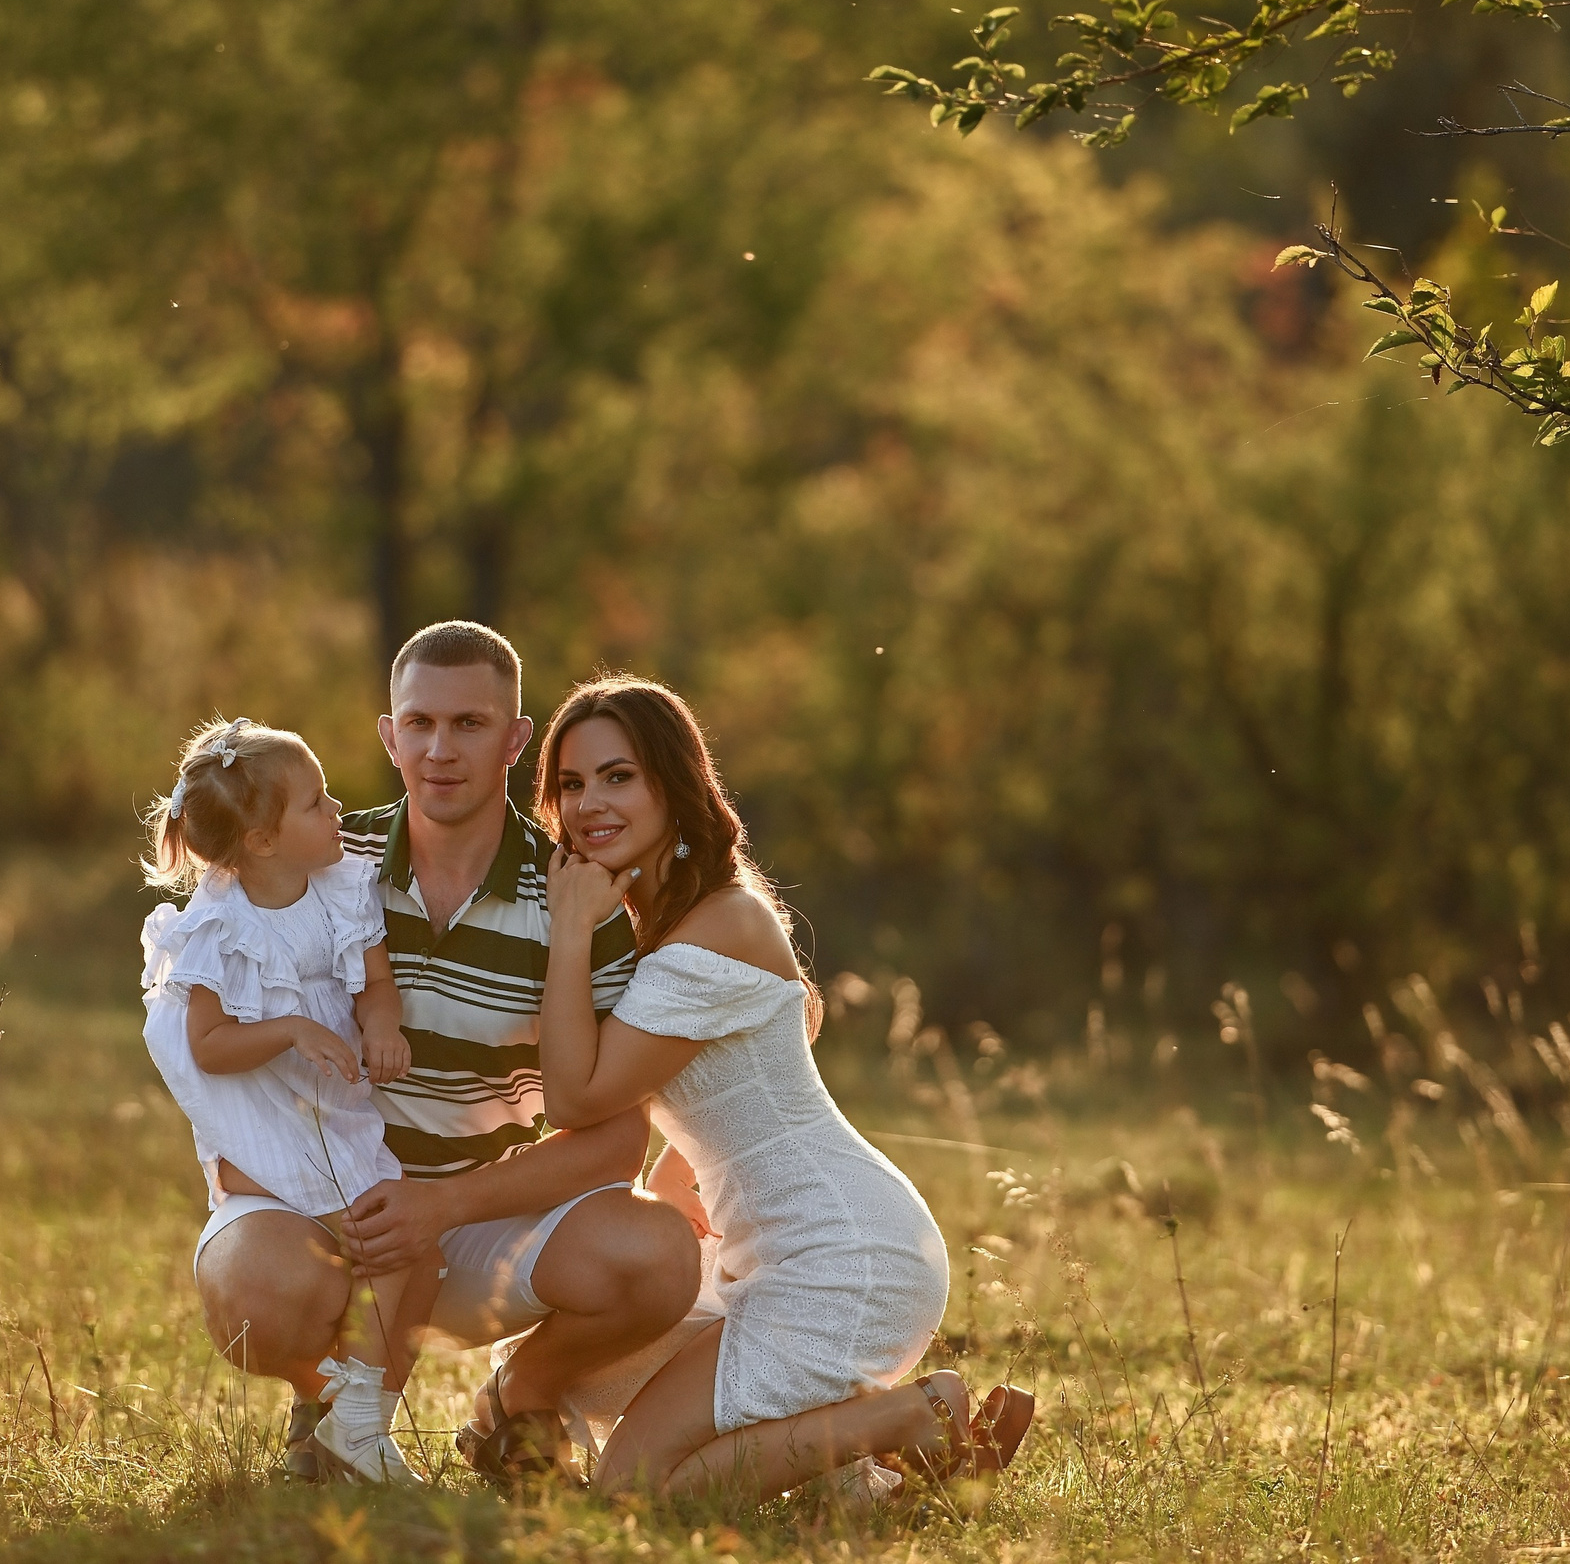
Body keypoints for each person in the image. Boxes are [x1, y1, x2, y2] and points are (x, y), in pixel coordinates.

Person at [194, 622, 703, 1486]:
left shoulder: (576, 899)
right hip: (323, 1212)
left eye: (469, 724)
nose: (440, 749)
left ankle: (521, 1395)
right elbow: (209, 1013)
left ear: (515, 739)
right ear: (388, 734)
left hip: (473, 1227)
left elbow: (618, 1146)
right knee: (256, 1288)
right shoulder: (313, 858)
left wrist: (441, 1205)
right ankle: (333, 1408)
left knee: (657, 1254)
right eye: (419, 723)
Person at [532, 674, 1035, 1505]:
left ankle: (905, 1418)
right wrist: (676, 1170)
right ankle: (861, 1473)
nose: (590, 802)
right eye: (573, 783)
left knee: (633, 1493)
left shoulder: (718, 922)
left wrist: (567, 934)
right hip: (767, 1257)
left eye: (618, 775)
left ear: (674, 782)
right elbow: (739, 1077)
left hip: (839, 1256)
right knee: (574, 1361)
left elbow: (578, 1099)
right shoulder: (674, 920)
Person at [137, 716, 427, 1483]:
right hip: (273, 1117)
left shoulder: (342, 889)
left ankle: (359, 1423)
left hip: (340, 1111)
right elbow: (209, 1045)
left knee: (401, 1252)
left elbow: (378, 985)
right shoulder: (218, 926)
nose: (338, 812)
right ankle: (330, 1408)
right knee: (347, 1247)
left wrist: (383, 1027)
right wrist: (292, 1026)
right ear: (263, 840)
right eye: (317, 803)